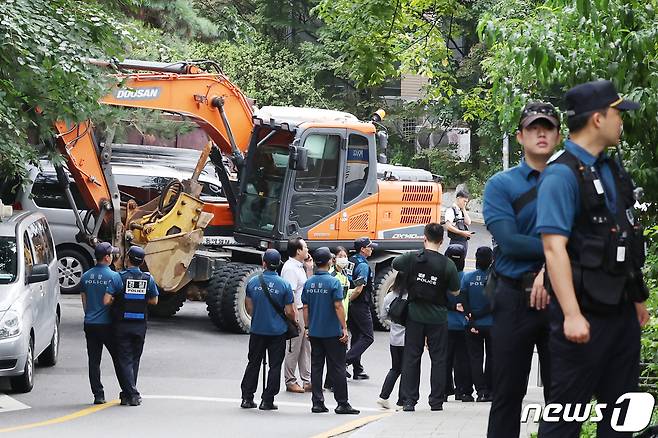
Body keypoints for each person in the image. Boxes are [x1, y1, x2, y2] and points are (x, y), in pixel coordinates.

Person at [536, 81, 650, 437]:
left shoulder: (611, 170)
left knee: (621, 418)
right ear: (598, 119)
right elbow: (554, 248)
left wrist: (636, 299)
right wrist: (571, 314)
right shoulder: (561, 175)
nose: (622, 121)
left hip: (620, 312)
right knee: (565, 418)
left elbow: (622, 236)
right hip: (582, 316)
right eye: (617, 113)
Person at [483, 101, 560, 438]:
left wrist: (550, 264)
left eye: (547, 127)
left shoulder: (572, 183)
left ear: (558, 135)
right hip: (513, 298)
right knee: (507, 394)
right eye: (533, 128)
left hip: (561, 298)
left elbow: (589, 238)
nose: (540, 133)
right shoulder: (502, 185)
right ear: (520, 136)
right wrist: (559, 248)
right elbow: (510, 242)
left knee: (562, 397)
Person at [392, 223, 461, 412]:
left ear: (424, 237)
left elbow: (395, 264)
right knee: (439, 359)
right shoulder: (448, 264)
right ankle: (436, 401)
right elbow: (455, 291)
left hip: (414, 314)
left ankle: (409, 401)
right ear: (442, 241)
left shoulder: (413, 257)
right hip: (438, 317)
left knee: (411, 357)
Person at [302, 247, 360, 415]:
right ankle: (342, 403)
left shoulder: (309, 283)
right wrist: (344, 327)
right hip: (333, 332)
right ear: (330, 262)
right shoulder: (334, 282)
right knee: (338, 367)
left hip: (315, 332)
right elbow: (338, 306)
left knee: (316, 366)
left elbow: (305, 307)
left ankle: (317, 402)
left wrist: (307, 327)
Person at [103, 245, 159, 406]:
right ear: (142, 262)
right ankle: (127, 394)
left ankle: (132, 394)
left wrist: (118, 300)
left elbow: (106, 301)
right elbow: (154, 300)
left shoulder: (118, 278)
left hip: (122, 325)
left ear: (127, 258)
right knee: (134, 360)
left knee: (124, 360)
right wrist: (140, 299)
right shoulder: (148, 279)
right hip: (140, 324)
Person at [240, 249, 295, 411]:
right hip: (277, 332)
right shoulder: (284, 285)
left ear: (264, 263)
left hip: (257, 330)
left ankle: (247, 398)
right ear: (278, 264)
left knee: (253, 363)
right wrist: (292, 322)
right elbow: (290, 311)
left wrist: (259, 316)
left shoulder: (253, 282)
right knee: (275, 365)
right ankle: (267, 400)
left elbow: (249, 307)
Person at [80, 242, 123, 405]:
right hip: (108, 325)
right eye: (111, 254)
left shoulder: (85, 276)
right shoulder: (114, 277)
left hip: (90, 323)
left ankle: (98, 394)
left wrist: (90, 315)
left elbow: (84, 302)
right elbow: (119, 301)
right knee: (118, 359)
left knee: (94, 360)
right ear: (107, 257)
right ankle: (126, 389)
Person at [324, 246, 360, 391]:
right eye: (341, 256)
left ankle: (329, 381)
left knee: (338, 353)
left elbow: (345, 295)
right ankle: (333, 383)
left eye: (345, 256)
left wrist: (357, 289)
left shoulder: (344, 275)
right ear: (334, 259)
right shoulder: (331, 276)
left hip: (343, 317)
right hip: (334, 319)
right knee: (336, 354)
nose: (344, 258)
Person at [462, 246, 494, 403]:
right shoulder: (495, 278)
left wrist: (472, 318)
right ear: (491, 260)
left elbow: (463, 300)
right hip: (492, 324)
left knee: (475, 358)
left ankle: (480, 391)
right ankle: (489, 390)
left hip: (473, 324)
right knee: (492, 358)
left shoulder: (468, 278)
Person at [281, 237, 312, 393]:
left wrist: (309, 268)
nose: (307, 249)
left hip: (303, 310)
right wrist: (293, 316)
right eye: (305, 247)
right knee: (294, 347)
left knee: (305, 347)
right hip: (296, 310)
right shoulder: (290, 268)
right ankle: (290, 380)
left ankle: (307, 380)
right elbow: (290, 295)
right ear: (298, 251)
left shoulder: (300, 266)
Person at [444, 244, 474, 402]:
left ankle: (443, 390)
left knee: (444, 359)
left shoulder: (443, 278)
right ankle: (463, 391)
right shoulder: (466, 278)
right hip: (463, 325)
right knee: (463, 359)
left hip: (445, 324)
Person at [345, 237, 376, 380]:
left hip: (350, 304)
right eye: (370, 247)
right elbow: (358, 289)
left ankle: (358, 370)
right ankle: (345, 361)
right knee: (368, 337)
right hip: (359, 304)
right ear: (363, 249)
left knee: (357, 336)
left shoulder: (351, 260)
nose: (372, 249)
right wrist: (350, 301)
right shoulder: (363, 265)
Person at [376, 272, 407, 410]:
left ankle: (383, 397)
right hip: (408, 338)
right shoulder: (410, 297)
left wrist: (394, 323)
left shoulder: (389, 296)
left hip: (394, 338)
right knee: (407, 370)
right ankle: (402, 401)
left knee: (395, 368)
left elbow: (383, 316)